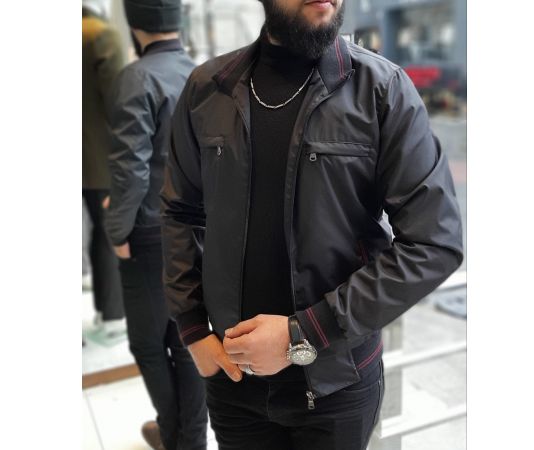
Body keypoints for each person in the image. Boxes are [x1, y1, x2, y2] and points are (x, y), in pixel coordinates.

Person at [160, 0, 464, 449]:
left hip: (337, 384)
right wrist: (191, 327)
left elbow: (435, 242)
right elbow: (180, 211)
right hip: (234, 378)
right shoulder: (209, 89)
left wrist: (303, 333)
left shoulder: (381, 90)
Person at [104, 1, 207, 449]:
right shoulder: (204, 73)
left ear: (134, 23)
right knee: (187, 339)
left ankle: (174, 435)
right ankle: (190, 439)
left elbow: (130, 170)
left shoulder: (137, 78)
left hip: (149, 230)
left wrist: (116, 229)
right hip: (199, 229)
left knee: (147, 345)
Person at [82, 0, 126, 341]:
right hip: (99, 158)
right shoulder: (100, 35)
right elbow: (120, 103)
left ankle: (104, 312)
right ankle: (112, 316)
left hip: (85, 157)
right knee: (109, 232)